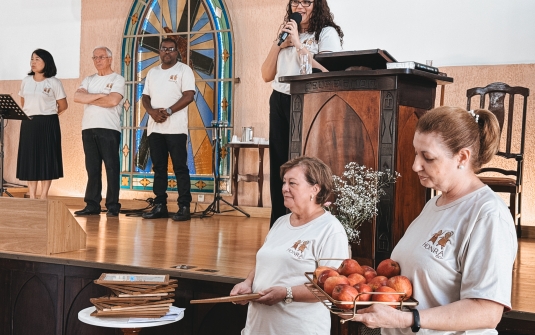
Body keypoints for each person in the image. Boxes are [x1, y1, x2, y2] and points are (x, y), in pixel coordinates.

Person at [348, 106, 518, 334]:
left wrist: (405, 320)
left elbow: (487, 311)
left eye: (427, 157)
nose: (415, 165)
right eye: (416, 153)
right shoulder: (433, 204)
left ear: (462, 157)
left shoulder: (487, 215)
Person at [230, 156, 349, 335]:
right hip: (257, 328)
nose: (285, 188)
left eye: (292, 183)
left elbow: (331, 288)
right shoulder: (280, 222)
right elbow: (266, 262)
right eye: (284, 182)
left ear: (314, 189)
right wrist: (248, 283)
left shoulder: (331, 230)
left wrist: (287, 293)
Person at [262, 0, 344, 226]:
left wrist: (298, 43)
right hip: (280, 98)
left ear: (317, 5)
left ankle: (305, 223)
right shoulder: (286, 33)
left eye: (306, 1)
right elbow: (266, 74)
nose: (300, 6)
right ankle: (279, 225)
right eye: (296, 1)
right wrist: (279, 44)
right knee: (281, 165)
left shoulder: (326, 33)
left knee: (304, 165)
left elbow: (329, 71)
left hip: (310, 101)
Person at [140, 38, 195, 221]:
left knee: (180, 168)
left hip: (176, 129)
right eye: (164, 49)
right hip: (155, 128)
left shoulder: (183, 70)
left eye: (171, 49)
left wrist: (168, 111)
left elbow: (189, 96)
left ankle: (184, 206)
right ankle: (160, 205)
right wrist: (152, 112)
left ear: (177, 51)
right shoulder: (152, 73)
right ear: (159, 51)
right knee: (159, 168)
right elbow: (145, 97)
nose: (167, 52)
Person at [73, 46, 125, 217]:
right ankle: (92, 204)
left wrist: (90, 97)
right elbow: (77, 97)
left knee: (111, 167)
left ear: (110, 59)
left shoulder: (118, 79)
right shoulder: (88, 80)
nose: (98, 60)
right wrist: (101, 95)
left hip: (109, 128)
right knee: (92, 168)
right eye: (94, 57)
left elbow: (113, 101)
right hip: (88, 128)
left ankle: (112, 205)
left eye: (101, 57)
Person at [17, 49, 68, 200]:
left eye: (37, 59)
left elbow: (63, 105)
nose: (33, 62)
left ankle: (44, 195)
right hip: (29, 123)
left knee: (47, 158)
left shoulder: (54, 82)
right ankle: (32, 195)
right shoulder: (26, 80)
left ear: (46, 61)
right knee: (30, 158)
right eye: (32, 59)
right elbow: (23, 101)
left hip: (48, 123)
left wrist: (48, 114)